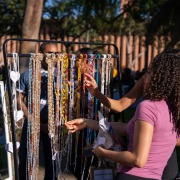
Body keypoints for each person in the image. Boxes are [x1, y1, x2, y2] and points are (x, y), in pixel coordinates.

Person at [65, 49, 180, 180]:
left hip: (138, 173)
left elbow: (138, 160)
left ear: (159, 76)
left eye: (149, 72)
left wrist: (102, 152)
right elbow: (125, 122)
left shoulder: (148, 107)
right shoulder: (170, 109)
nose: (143, 76)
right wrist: (87, 121)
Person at [17, 42, 58, 180]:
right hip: (31, 123)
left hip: (52, 124)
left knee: (52, 160)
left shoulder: (61, 75)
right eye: (49, 53)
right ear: (41, 55)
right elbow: (18, 99)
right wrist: (32, 119)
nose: (53, 57)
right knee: (27, 157)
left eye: (55, 54)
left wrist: (53, 121)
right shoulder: (28, 74)